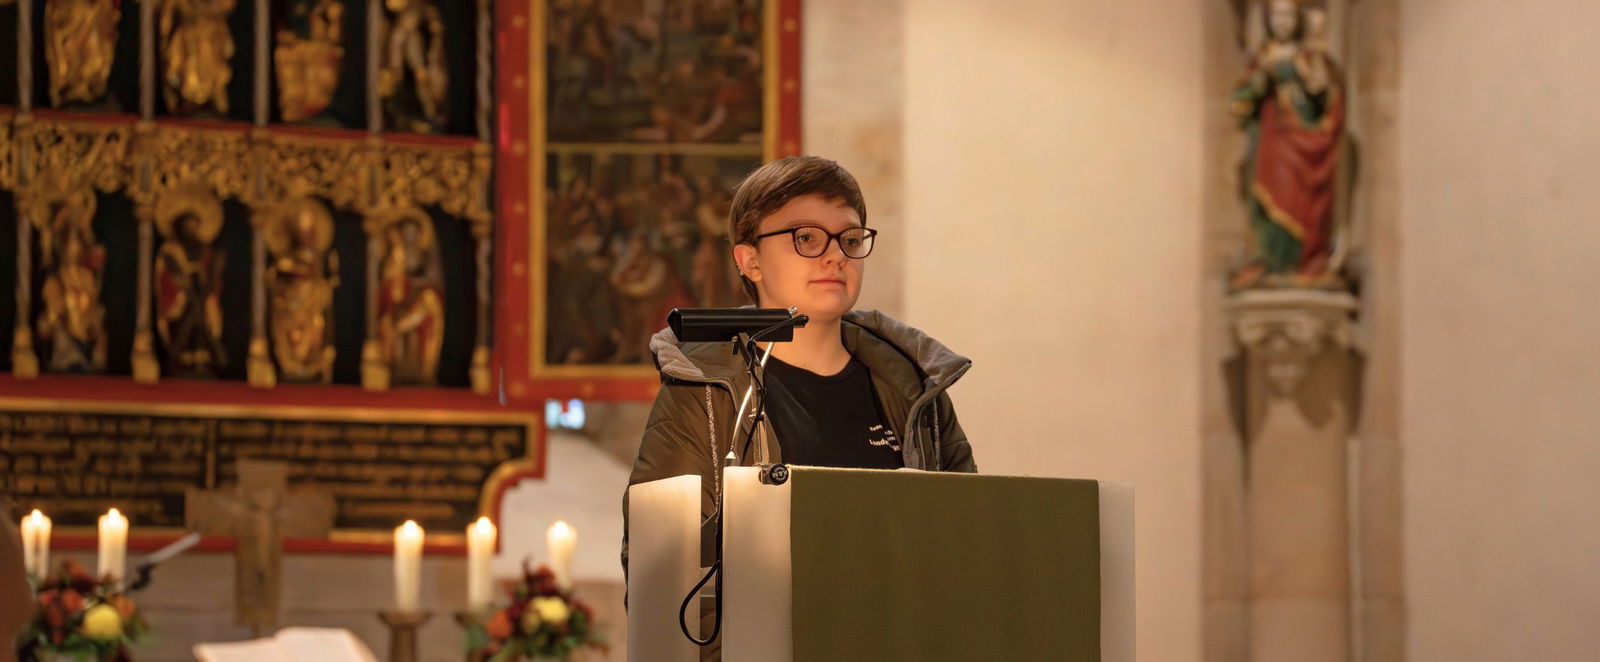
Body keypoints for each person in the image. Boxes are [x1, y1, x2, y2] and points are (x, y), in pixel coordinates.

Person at [621, 156, 978, 655]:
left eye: (850, 240)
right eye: (806, 238)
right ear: (749, 261)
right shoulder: (705, 393)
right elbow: (669, 577)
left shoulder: (917, 391)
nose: (836, 257)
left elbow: (969, 550)